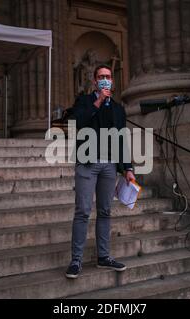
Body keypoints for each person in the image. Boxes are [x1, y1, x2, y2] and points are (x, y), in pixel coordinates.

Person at [65, 65, 135, 279]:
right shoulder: (84, 101)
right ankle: (76, 260)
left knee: (105, 212)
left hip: (109, 165)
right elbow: (78, 122)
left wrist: (128, 169)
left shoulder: (118, 108)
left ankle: (103, 257)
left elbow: (121, 138)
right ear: (95, 82)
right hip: (88, 163)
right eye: (101, 77)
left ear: (112, 81)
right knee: (83, 211)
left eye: (108, 77)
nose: (105, 80)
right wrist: (97, 102)